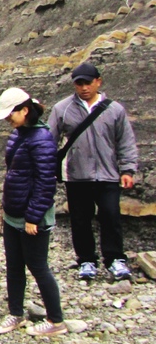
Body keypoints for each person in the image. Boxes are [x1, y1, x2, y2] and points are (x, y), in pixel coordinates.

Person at [48, 62, 138, 281]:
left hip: (107, 174)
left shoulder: (114, 109)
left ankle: (115, 259)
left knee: (110, 215)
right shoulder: (62, 109)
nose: (83, 88)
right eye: (79, 83)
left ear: (98, 81)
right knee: (80, 219)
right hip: (76, 176)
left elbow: (125, 141)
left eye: (88, 83)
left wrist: (127, 169)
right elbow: (49, 140)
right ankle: (86, 260)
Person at [0, 88, 66, 337]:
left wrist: (33, 216)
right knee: (14, 266)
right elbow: (15, 174)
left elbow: (46, 182)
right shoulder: (18, 136)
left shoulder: (42, 139)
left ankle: (56, 320)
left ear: (25, 110)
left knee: (37, 266)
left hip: (32, 217)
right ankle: (15, 314)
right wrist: (7, 209)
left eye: (11, 114)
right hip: (14, 213)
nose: (8, 120)